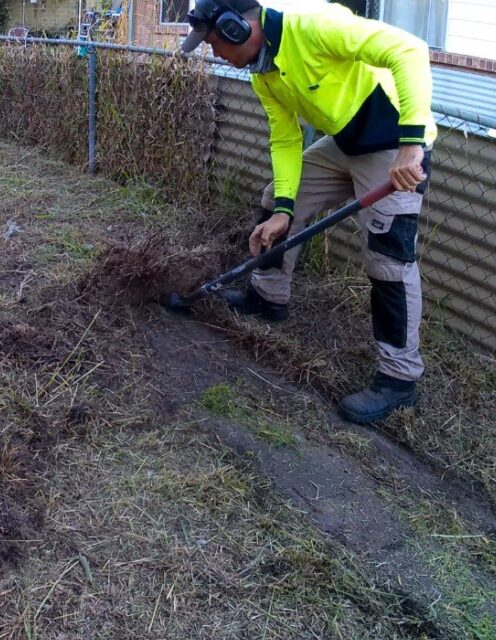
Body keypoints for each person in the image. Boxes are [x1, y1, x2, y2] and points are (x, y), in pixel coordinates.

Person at [180, 0, 435, 424]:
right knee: (274, 201)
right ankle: (268, 296)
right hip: (345, 142)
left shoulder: (315, 27)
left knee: (388, 259)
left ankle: (399, 379)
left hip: (394, 147)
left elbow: (407, 50)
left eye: (213, 42)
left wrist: (411, 143)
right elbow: (285, 141)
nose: (215, 53)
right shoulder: (265, 74)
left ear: (236, 27)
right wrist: (284, 209)